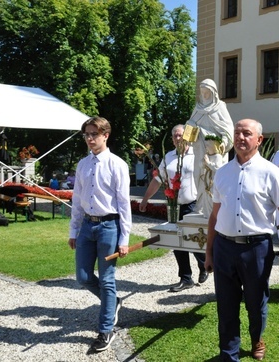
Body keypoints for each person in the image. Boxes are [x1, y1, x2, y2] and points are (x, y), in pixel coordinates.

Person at [205, 118, 279, 361]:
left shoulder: (270, 173)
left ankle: (257, 338)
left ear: (259, 140)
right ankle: (229, 354)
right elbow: (215, 215)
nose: (240, 137)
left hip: (257, 249)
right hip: (224, 248)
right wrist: (209, 253)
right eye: (237, 133)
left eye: (246, 133)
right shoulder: (222, 173)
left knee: (255, 304)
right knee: (226, 306)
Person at [68, 116, 131, 353]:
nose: (90, 138)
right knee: (83, 277)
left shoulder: (117, 164)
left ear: (106, 135)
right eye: (87, 134)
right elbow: (77, 200)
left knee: (107, 280)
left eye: (94, 134)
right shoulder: (83, 164)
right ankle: (112, 301)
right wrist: (74, 230)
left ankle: (106, 330)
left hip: (109, 227)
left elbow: (124, 204)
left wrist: (124, 239)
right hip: (86, 227)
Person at [139, 125, 208, 292]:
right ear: (172, 139)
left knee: (192, 238)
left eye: (180, 135)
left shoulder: (196, 154)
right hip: (174, 204)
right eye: (175, 136)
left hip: (193, 204)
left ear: (187, 136)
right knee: (176, 240)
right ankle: (186, 278)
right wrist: (145, 199)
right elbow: (158, 180)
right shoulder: (169, 157)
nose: (178, 138)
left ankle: (204, 263)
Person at [186, 79, 234, 218]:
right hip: (200, 148)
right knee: (198, 174)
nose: (205, 95)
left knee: (214, 178)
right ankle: (200, 204)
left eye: (207, 92)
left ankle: (215, 204)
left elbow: (228, 128)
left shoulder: (220, 107)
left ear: (213, 93)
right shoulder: (198, 108)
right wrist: (189, 128)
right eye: (203, 92)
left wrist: (224, 141)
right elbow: (190, 128)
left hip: (215, 151)